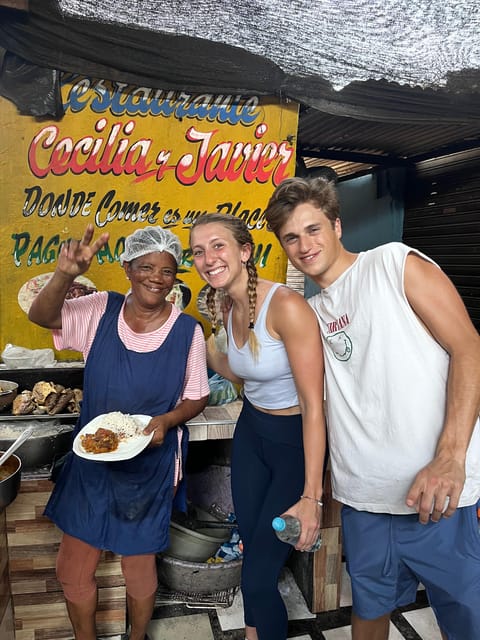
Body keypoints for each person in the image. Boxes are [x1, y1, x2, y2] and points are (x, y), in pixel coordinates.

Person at [263, 176, 480, 640]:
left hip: (439, 495)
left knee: (466, 616)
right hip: (364, 499)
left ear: (337, 225)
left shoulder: (393, 264)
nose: (304, 245)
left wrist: (451, 456)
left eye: (313, 229)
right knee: (369, 608)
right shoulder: (310, 312)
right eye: (291, 238)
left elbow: (468, 347)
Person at [28, 223, 210, 640]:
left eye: (167, 271)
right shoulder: (100, 309)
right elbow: (42, 316)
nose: (156, 279)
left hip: (149, 465)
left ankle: (136, 636)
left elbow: (197, 396)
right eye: (146, 267)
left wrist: (166, 421)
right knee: (73, 567)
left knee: (139, 565)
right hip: (91, 460)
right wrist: (66, 274)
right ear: (127, 267)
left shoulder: (187, 332)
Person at [189, 213, 326, 640]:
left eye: (218, 245)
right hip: (251, 434)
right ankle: (255, 633)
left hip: (291, 444)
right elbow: (242, 374)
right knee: (253, 549)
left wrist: (311, 496)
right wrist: (200, 336)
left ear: (245, 251)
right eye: (197, 251)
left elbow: (314, 404)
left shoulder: (285, 305)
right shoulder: (226, 306)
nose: (207, 257)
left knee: (259, 573)